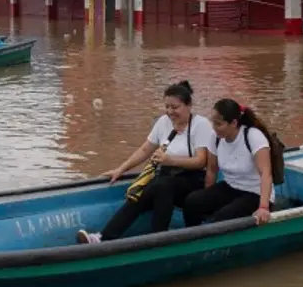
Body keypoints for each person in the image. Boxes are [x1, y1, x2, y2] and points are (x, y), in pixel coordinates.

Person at [76, 81, 215, 244]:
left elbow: (200, 161)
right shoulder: (163, 122)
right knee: (140, 194)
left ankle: (158, 238)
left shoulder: (201, 125)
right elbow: (145, 150)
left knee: (162, 186)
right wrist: (120, 169)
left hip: (191, 181)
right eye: (167, 107)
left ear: (189, 105)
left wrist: (171, 160)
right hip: (166, 178)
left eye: (175, 107)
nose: (170, 112)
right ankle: (102, 237)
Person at [182, 99, 275, 227]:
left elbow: (266, 174)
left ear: (233, 123)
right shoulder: (215, 137)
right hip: (231, 187)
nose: (214, 128)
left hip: (255, 193)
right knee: (192, 201)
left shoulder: (253, 137)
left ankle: (214, 243)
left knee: (223, 217)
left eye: (219, 124)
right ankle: (192, 237)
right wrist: (208, 198)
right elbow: (212, 170)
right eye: (213, 123)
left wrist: (263, 207)